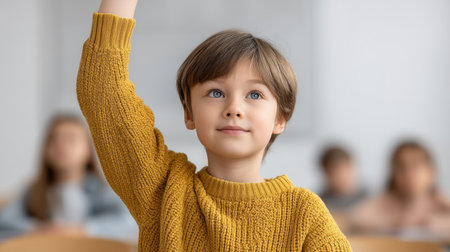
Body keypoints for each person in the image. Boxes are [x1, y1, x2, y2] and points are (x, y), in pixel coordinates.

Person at [76, 0, 351, 250]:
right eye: (216, 93)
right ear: (189, 113)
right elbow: (102, 89)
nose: (234, 108)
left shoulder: (304, 213)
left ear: (280, 118)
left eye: (254, 95)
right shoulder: (163, 192)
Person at [0, 114, 138, 242]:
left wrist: (81, 230)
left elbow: (127, 221)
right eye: (53, 139)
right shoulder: (34, 189)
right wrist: (38, 228)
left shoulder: (101, 189)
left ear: (88, 150)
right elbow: (5, 221)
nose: (60, 146)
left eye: (70, 139)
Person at [350, 141, 450, 239]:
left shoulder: (438, 200)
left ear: (432, 172)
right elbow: (356, 219)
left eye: (416, 167)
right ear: (393, 175)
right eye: (402, 168)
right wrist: (396, 221)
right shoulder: (388, 200)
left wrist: (427, 222)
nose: (409, 174)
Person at [318, 145, 367, 212]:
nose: (341, 176)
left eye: (345, 170)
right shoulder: (320, 203)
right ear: (325, 173)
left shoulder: (369, 196)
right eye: (334, 173)